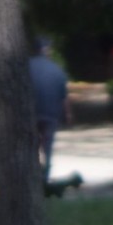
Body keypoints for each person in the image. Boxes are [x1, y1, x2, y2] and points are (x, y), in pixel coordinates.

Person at [28, 36, 71, 182]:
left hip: (31, 113)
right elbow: (64, 97)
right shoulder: (57, 70)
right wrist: (68, 115)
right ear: (48, 51)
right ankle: (45, 176)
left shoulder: (26, 67)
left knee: (32, 144)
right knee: (48, 145)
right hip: (51, 113)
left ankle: (33, 172)